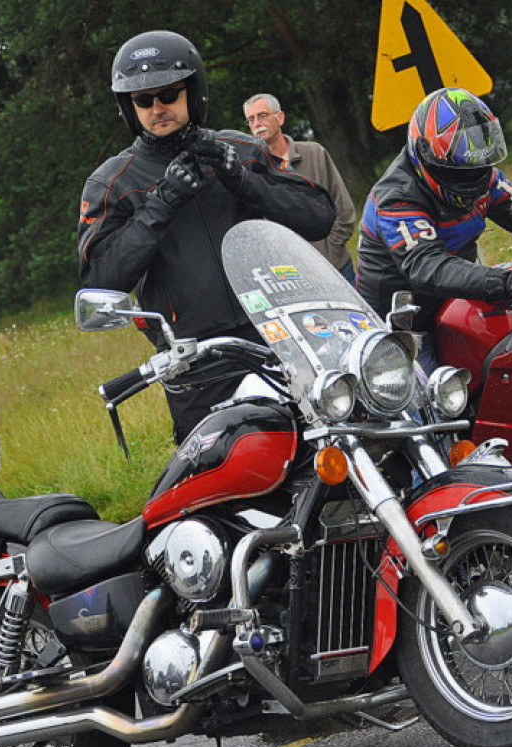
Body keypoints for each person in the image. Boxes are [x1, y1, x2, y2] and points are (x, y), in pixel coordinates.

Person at [78, 30, 335, 443]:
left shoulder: (241, 149)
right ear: (128, 107)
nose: (157, 108)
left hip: (280, 341)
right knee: (230, 480)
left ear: (192, 93)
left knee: (327, 462)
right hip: (196, 363)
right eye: (143, 101)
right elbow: (100, 281)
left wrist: (243, 181)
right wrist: (162, 203)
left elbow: (319, 216)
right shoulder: (113, 181)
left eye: (168, 95)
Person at [356, 87, 512, 373]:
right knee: (433, 406)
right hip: (405, 326)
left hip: (454, 301)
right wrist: (507, 281)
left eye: (477, 166)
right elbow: (428, 267)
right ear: (426, 155)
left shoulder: (483, 176)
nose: (471, 176)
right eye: (458, 170)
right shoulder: (397, 197)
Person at [242, 93, 357, 283]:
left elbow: (343, 209)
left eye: (262, 115)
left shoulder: (314, 153)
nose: (256, 124)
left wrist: (331, 251)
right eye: (251, 119)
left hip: (336, 268)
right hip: (292, 279)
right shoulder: (251, 171)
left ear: (280, 118)